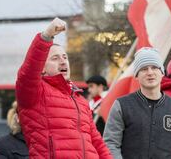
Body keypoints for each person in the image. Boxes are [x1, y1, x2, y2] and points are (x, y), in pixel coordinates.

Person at [16, 18, 112, 159]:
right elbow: (29, 71)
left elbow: (96, 141)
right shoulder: (35, 92)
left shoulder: (80, 100)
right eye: (55, 58)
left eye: (64, 57)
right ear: (41, 68)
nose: (62, 61)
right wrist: (46, 36)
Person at [103, 47, 171, 159]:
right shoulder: (121, 105)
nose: (150, 73)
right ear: (136, 75)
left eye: (154, 67)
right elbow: (111, 144)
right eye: (144, 69)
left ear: (162, 72)